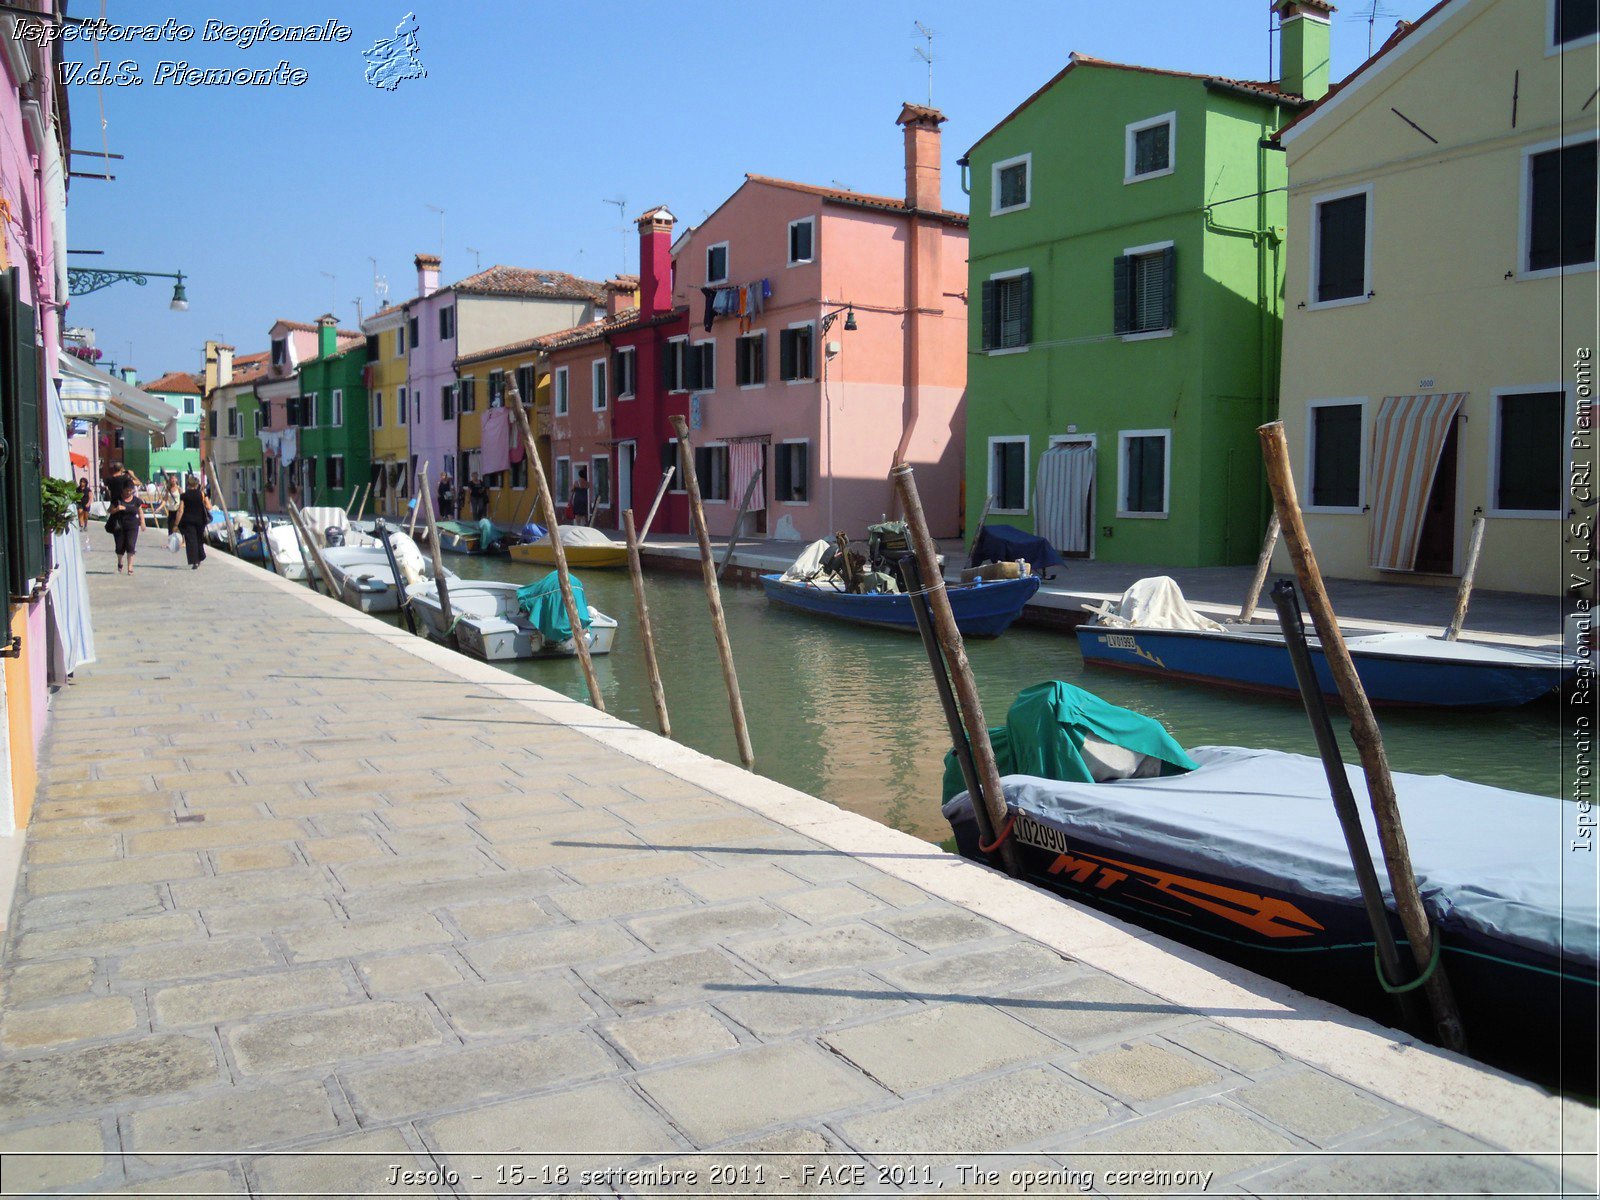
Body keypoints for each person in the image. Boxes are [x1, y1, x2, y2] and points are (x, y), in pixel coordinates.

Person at [107, 470, 143, 574]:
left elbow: (140, 511)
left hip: (132, 525)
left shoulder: (136, 500)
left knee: (131, 545)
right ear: (123, 490)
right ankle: (120, 561)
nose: (128, 492)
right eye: (127, 490)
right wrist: (117, 509)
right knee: (119, 547)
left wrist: (143, 522)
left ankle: (130, 567)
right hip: (119, 526)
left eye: (130, 490)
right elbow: (109, 510)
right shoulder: (117, 499)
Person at [175, 473, 209, 569]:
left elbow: (180, 510)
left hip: (188, 520)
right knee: (199, 539)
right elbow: (209, 506)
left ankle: (195, 561)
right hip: (200, 520)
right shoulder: (202, 494)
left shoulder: (184, 496)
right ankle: (201, 556)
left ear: (188, 485)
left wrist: (176, 524)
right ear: (197, 484)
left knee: (191, 541)